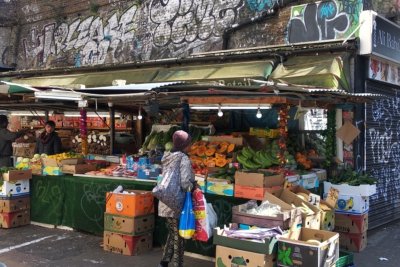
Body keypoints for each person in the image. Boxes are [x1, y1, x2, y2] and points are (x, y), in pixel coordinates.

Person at [158, 130, 195, 267]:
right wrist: (194, 185)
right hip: (176, 203)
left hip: (165, 200)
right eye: (189, 143)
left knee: (173, 233)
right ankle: (177, 264)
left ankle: (164, 262)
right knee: (179, 237)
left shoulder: (167, 156)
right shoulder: (183, 158)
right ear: (185, 144)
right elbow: (185, 183)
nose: (190, 146)